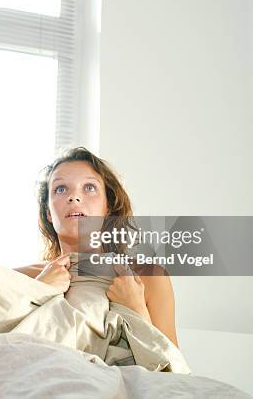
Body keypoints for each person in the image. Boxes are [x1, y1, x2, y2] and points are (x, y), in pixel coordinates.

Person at [18, 147, 179, 347]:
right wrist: (37, 290)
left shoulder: (148, 277)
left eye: (89, 187)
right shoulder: (23, 278)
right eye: (60, 189)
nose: (74, 197)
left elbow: (174, 372)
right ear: (48, 212)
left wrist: (136, 310)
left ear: (108, 206)